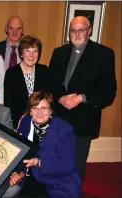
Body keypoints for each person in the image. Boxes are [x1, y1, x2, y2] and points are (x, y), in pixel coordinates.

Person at [48, 16, 116, 182]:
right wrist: (60, 98)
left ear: (89, 31)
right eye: (73, 30)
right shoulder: (59, 52)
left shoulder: (104, 54)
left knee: (76, 168)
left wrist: (81, 98)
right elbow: (50, 84)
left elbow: (108, 91)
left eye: (81, 30)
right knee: (56, 163)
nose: (77, 33)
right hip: (59, 118)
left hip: (84, 120)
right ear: (69, 32)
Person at [18, 91, 82, 197]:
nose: (39, 112)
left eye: (44, 108)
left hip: (58, 181)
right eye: (35, 108)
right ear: (30, 111)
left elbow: (68, 166)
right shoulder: (25, 121)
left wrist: (39, 163)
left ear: (51, 110)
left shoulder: (64, 130)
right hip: (30, 176)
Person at [4, 35, 49, 129]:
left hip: (43, 123)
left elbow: (49, 100)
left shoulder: (45, 71)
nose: (31, 55)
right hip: (18, 124)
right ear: (21, 53)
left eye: (35, 51)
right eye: (27, 50)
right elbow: (8, 104)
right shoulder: (11, 73)